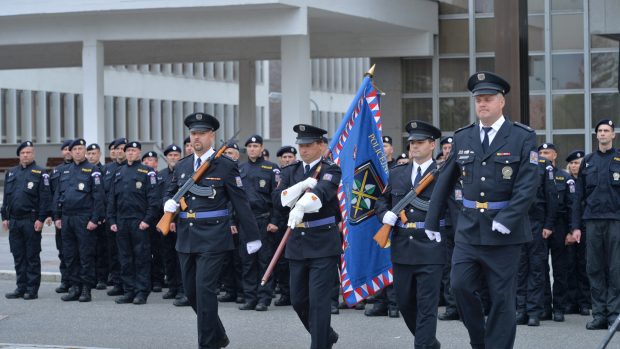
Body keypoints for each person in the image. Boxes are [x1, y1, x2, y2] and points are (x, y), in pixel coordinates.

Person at [424, 71, 539, 349]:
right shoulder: (463, 137)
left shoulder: (522, 137)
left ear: (501, 102)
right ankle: (480, 340)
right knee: (459, 285)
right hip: (469, 228)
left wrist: (508, 218)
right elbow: (446, 179)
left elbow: (527, 184)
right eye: (478, 100)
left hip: (504, 234)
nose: (482, 105)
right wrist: (432, 219)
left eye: (488, 99)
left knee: (502, 298)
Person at [163, 112, 261, 349]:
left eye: (201, 133)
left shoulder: (225, 166)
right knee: (192, 292)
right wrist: (168, 203)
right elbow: (170, 191)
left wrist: (253, 237)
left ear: (211, 136)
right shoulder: (183, 165)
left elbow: (241, 203)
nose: (196, 138)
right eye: (193, 133)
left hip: (214, 238)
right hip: (186, 236)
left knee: (205, 291)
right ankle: (218, 335)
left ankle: (207, 344)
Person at [376, 120, 446, 348]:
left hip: (430, 248)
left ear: (432, 145)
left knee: (427, 307)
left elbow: (454, 209)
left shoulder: (443, 174)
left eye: (420, 142)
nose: (414, 146)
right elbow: (381, 201)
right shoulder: (397, 173)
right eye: (411, 143)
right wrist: (384, 214)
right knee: (405, 304)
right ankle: (429, 344)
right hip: (402, 248)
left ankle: (423, 345)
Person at [274, 124, 341, 349]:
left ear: (321, 145)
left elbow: (323, 192)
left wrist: (302, 204)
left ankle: (319, 344)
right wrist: (301, 186)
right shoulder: (290, 171)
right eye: (300, 145)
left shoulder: (331, 169)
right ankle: (325, 335)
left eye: (308, 145)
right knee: (298, 300)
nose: (303, 150)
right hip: (297, 242)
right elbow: (278, 199)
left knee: (319, 303)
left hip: (322, 241)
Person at [572, 119, 620, 330]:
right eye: (599, 131)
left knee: (616, 268)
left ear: (613, 135)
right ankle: (599, 314)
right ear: (596, 135)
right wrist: (575, 226)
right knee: (594, 268)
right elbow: (578, 197)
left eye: (606, 131)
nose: (602, 134)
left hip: (616, 221)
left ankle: (614, 314)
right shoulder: (588, 162)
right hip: (592, 221)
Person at [53, 139, 106, 303]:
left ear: (84, 151)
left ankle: (85, 289)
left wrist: (95, 219)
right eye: (74, 149)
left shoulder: (93, 170)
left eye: (80, 148)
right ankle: (74, 287)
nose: (77, 151)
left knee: (85, 255)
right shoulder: (65, 171)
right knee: (70, 254)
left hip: (84, 218)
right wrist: (57, 216)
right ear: (70, 151)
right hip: (67, 217)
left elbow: (99, 197)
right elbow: (58, 195)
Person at [107, 142, 159, 305]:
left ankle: (141, 292)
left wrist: (147, 220)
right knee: (125, 258)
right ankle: (129, 291)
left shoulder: (147, 172)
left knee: (141, 258)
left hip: (139, 222)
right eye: (127, 150)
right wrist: (112, 220)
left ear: (139, 153)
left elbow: (154, 199)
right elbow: (112, 199)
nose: (130, 153)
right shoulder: (119, 172)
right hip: (122, 222)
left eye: (133, 151)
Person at [2, 141, 52, 300]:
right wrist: (4, 217)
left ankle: (32, 289)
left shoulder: (41, 173)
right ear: (19, 155)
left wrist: (41, 218)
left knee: (31, 255)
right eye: (23, 153)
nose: (26, 155)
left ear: (33, 154)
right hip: (14, 221)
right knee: (18, 255)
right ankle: (20, 287)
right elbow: (7, 198)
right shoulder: (11, 173)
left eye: (29, 152)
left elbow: (45, 198)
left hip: (31, 221)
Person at [515, 152, 558, 326]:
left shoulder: (544, 165)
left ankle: (534, 311)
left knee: (537, 269)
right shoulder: (514, 161)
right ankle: (520, 310)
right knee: (519, 269)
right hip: (517, 223)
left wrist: (548, 224)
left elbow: (551, 197)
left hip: (537, 224)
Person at [538, 143, 574, 322]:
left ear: (555, 155)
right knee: (541, 268)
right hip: (541, 226)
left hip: (559, 226)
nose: (543, 155)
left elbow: (571, 207)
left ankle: (559, 307)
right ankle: (545, 307)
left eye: (547, 153)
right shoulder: (535, 175)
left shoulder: (564, 177)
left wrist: (571, 230)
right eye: (541, 153)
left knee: (560, 270)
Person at [159, 144, 189, 306]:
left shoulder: (185, 173)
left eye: (176, 155)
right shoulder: (161, 175)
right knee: (168, 256)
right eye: (170, 155)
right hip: (165, 220)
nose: (173, 158)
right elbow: (160, 198)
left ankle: (183, 289)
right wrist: (168, 219)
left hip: (180, 222)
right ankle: (172, 286)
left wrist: (174, 221)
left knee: (181, 258)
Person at [563, 150, 591, 316]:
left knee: (584, 266)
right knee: (568, 266)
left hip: (585, 229)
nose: (575, 166)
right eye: (572, 163)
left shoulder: (586, 181)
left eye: (578, 163)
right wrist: (569, 231)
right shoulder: (565, 181)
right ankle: (570, 302)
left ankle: (585, 302)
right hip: (566, 230)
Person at [103, 138, 127, 297]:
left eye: (123, 149)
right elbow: (103, 193)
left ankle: (130, 284)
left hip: (128, 216)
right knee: (113, 252)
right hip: (111, 216)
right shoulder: (107, 168)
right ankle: (118, 282)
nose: (120, 151)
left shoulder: (132, 168)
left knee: (128, 252)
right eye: (117, 149)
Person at [50, 139, 73, 294]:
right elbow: (52, 195)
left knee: (76, 251)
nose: (67, 151)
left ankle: (78, 281)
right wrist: (54, 216)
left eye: (70, 149)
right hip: (61, 217)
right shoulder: (56, 171)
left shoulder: (80, 169)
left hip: (76, 216)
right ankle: (66, 280)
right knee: (63, 250)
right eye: (64, 149)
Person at [86, 143, 109, 291]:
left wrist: (104, 215)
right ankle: (91, 277)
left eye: (94, 153)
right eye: (90, 153)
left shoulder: (106, 170)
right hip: (89, 216)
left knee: (102, 249)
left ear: (99, 154)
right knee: (89, 249)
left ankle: (102, 278)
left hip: (103, 217)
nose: (92, 156)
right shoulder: (85, 171)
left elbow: (105, 195)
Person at [142, 150, 166, 293]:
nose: (147, 162)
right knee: (145, 251)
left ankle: (158, 279)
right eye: (145, 160)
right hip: (144, 219)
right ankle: (148, 279)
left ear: (156, 163)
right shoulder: (140, 176)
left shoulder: (161, 176)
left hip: (159, 219)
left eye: (150, 160)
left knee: (158, 250)